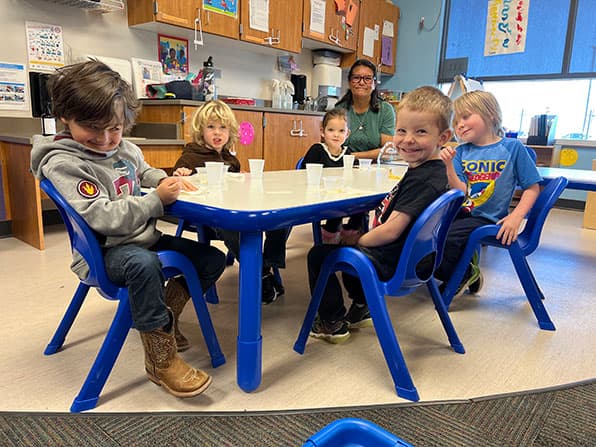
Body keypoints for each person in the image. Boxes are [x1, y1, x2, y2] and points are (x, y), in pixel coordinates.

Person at [30, 60, 226, 399]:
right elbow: (101, 217)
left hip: (141, 238)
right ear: (65, 116)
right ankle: (160, 359)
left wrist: (162, 179)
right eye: (93, 128)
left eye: (115, 129)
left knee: (211, 259)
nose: (106, 140)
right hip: (106, 252)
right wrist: (156, 203)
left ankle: (164, 316)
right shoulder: (64, 162)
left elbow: (143, 169)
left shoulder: (124, 148)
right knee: (143, 264)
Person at [307, 86, 453, 343]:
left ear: (443, 137)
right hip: (410, 256)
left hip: (393, 260)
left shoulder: (423, 180)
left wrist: (359, 240)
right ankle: (362, 306)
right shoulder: (433, 171)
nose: (408, 139)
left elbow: (392, 230)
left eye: (421, 132)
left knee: (320, 255)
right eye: (401, 130)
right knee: (348, 251)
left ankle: (330, 321)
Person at [172, 99, 289, 304]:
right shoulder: (192, 155)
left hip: (234, 210)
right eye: (211, 127)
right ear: (201, 130)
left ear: (230, 132)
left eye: (223, 128)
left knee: (279, 219)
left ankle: (265, 267)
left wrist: (242, 179)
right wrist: (182, 173)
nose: (217, 133)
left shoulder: (229, 158)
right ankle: (259, 274)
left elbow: (236, 188)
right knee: (235, 228)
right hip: (210, 217)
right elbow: (181, 174)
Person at [435, 90, 542, 297]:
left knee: (446, 238)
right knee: (426, 234)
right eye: (456, 121)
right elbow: (462, 191)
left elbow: (532, 187)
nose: (460, 125)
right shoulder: (461, 151)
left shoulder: (512, 147)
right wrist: (448, 166)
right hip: (462, 213)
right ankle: (465, 268)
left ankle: (464, 272)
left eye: (465, 117)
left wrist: (516, 216)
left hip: (487, 218)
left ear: (490, 113)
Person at [335, 59, 397, 238]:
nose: (361, 82)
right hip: (344, 167)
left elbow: (387, 149)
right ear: (349, 81)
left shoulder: (385, 110)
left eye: (367, 78)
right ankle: (334, 227)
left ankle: (354, 229)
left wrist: (354, 155)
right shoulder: (340, 109)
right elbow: (334, 144)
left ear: (374, 83)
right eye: (356, 78)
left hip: (375, 169)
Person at [300, 108, 361, 244]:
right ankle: (330, 233)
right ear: (322, 132)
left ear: (347, 134)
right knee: (336, 204)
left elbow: (355, 174)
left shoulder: (348, 153)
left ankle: (350, 232)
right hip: (319, 196)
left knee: (362, 204)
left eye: (341, 131)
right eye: (331, 130)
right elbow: (305, 175)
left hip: (341, 195)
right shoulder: (317, 150)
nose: (336, 135)